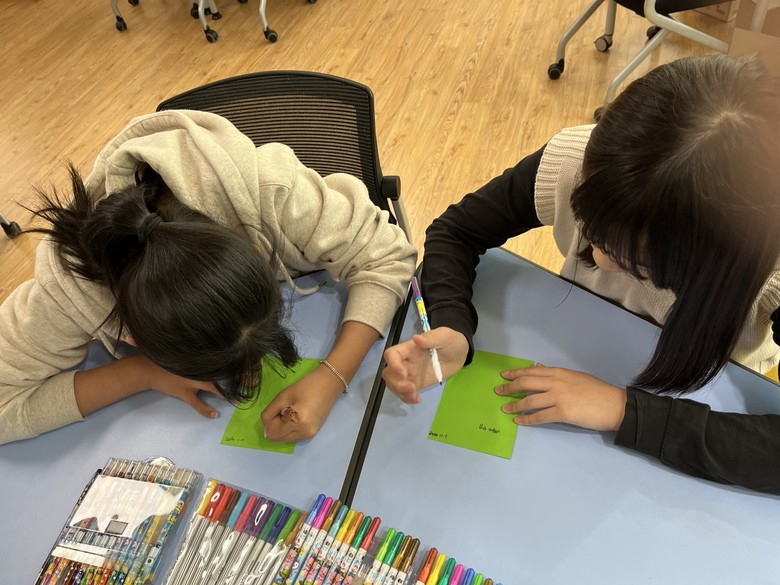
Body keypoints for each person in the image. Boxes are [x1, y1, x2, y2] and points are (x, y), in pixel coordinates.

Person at [382, 55, 780, 494]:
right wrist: (452, 323)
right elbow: (456, 231)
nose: (599, 259)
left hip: (700, 399)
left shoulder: (772, 271)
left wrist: (622, 409)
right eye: (592, 227)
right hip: (577, 344)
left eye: (637, 262)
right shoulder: (586, 161)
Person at [0, 109, 416, 445]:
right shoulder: (67, 289)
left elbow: (386, 253)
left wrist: (332, 376)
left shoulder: (270, 191)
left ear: (254, 252)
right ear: (135, 337)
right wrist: (143, 373)